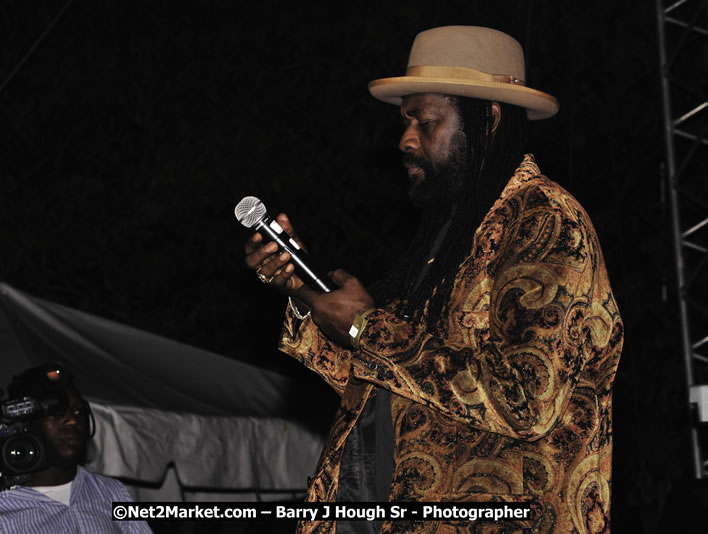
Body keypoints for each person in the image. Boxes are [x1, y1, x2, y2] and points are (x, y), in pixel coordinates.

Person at [244, 26, 623, 534]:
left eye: (426, 121)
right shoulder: (451, 233)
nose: (405, 139)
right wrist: (305, 293)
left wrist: (367, 327)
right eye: (406, 122)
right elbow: (392, 382)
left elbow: (526, 398)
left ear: (487, 120)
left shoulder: (544, 221)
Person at [0, 363, 152, 534]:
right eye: (57, 413)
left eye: (77, 411)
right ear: (24, 424)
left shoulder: (111, 493)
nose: (72, 421)